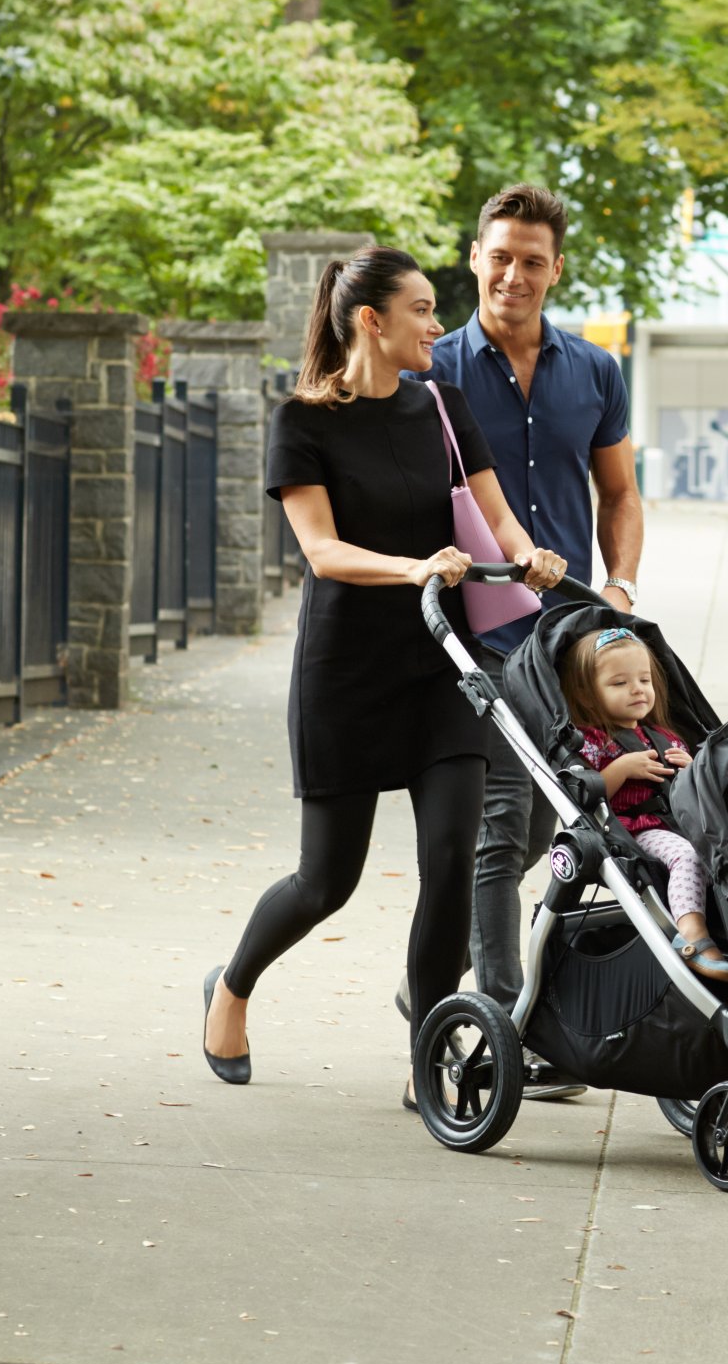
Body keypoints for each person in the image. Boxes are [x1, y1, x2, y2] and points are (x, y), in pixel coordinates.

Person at [200, 248, 566, 1092]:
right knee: (326, 880)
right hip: (346, 673)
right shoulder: (302, 421)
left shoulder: (442, 405)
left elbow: (496, 514)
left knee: (451, 864)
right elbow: (322, 550)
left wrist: (530, 555)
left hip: (443, 666)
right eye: (422, 309)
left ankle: (426, 1059)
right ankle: (231, 986)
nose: (438, 325)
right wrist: (412, 569)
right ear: (372, 320)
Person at [429, 184, 645, 1009]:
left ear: (556, 269)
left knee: (543, 824)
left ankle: (430, 978)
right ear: (473, 258)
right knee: (503, 815)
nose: (512, 275)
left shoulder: (594, 370)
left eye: (531, 261)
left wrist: (620, 585)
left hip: (567, 637)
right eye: (500, 257)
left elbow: (619, 494)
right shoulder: (433, 370)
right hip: (473, 631)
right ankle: (501, 1018)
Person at [557, 628, 717, 976]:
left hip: (680, 823)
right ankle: (692, 934)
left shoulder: (665, 737)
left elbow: (695, 793)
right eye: (619, 683)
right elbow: (584, 796)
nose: (637, 689)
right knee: (688, 856)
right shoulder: (591, 743)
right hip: (636, 829)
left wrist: (692, 771)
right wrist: (620, 768)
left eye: (644, 680)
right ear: (587, 695)